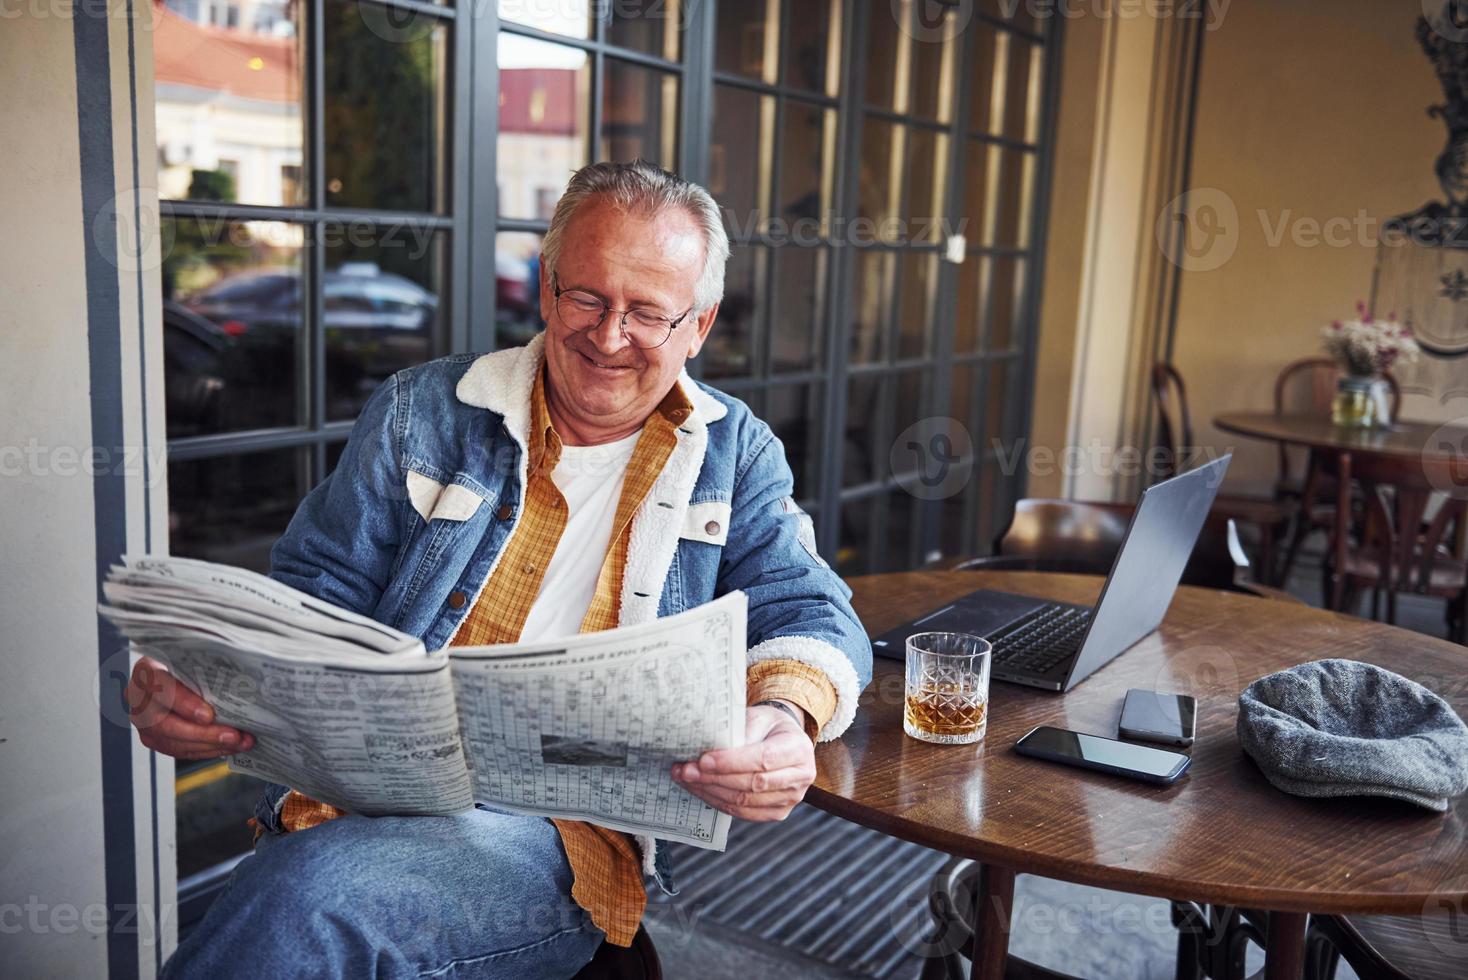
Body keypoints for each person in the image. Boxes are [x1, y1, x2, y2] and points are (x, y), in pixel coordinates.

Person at [127, 160, 872, 978]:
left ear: (699, 326)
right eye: (586, 297)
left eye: (649, 314)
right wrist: (212, 683)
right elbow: (316, 594)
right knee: (307, 893)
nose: (609, 335)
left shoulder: (735, 453)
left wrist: (788, 717)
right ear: (548, 289)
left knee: (310, 897)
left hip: (559, 834)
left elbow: (808, 607)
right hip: (368, 795)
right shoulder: (425, 409)